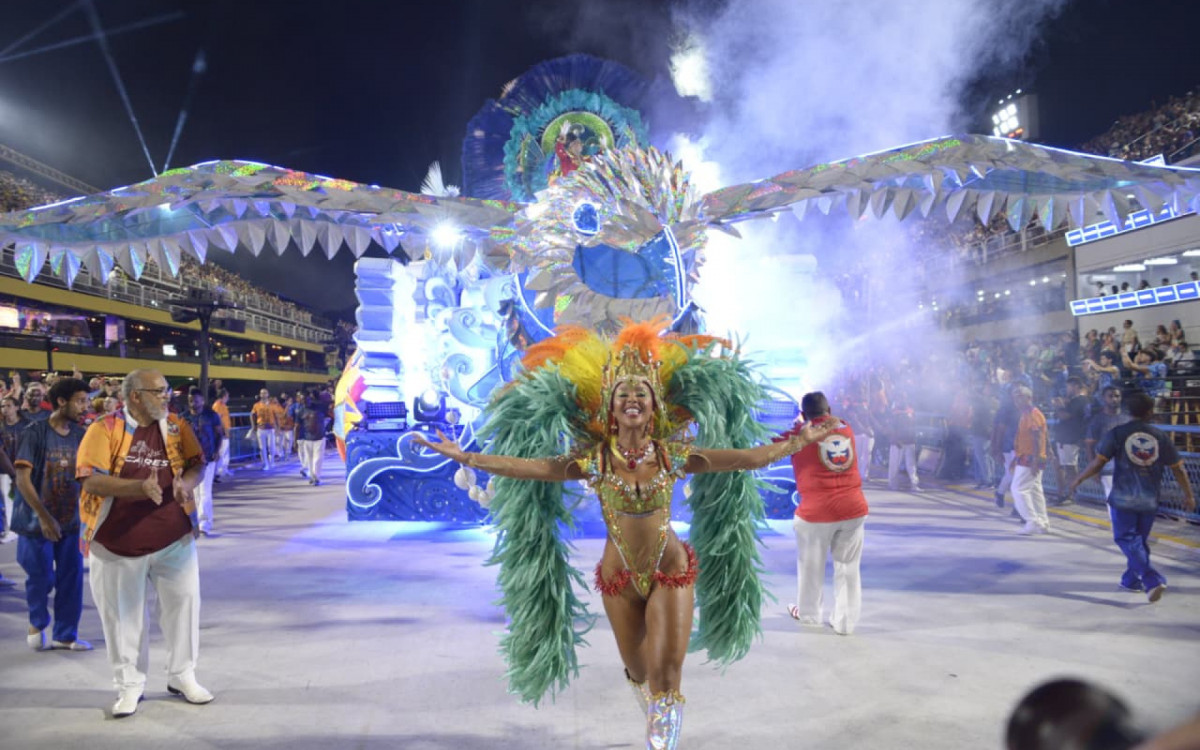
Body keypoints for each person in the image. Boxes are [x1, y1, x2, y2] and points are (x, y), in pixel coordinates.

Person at [414, 321, 835, 749]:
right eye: (623, 394)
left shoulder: (675, 457)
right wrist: (465, 455)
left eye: (641, 394)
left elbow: (747, 457)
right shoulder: (592, 461)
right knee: (641, 673)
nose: (632, 399)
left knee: (667, 677)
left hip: (670, 571)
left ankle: (662, 738)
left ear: (654, 408)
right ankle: (656, 723)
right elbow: (531, 469)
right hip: (618, 581)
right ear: (610, 410)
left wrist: (797, 441)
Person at [76, 368, 212, 718]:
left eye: (168, 391)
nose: (167, 397)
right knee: (124, 619)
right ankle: (130, 686)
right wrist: (139, 488)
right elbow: (90, 479)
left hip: (174, 538)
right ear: (135, 395)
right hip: (117, 543)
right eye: (160, 391)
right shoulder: (103, 428)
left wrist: (187, 482)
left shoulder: (176, 426)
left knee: (184, 607)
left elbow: (198, 464)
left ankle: (183, 676)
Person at [1070, 392, 1195, 602]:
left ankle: (1151, 578)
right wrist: (1189, 495)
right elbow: (1179, 469)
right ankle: (1130, 580)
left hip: (1123, 497)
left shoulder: (1117, 434)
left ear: (1127, 412)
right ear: (1150, 412)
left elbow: (1098, 463)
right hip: (1150, 499)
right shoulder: (1160, 436)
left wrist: (1078, 479)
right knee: (1138, 542)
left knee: (1125, 538)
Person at [11, 377, 93, 651]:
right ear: (61, 401)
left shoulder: (82, 436)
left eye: (87, 401)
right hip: (36, 522)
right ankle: (37, 621)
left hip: (70, 521)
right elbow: (22, 479)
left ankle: (65, 635)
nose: (86, 407)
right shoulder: (34, 432)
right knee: (40, 577)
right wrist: (45, 518)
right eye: (81, 401)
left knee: (72, 579)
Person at [780, 391, 867, 636]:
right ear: (828, 410)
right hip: (853, 508)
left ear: (802, 414)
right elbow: (832, 421)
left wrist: (797, 426)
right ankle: (845, 623)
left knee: (810, 566)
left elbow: (770, 446)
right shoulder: (845, 427)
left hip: (816, 513)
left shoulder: (799, 435)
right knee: (848, 568)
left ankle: (809, 616)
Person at [182, 387, 224, 536]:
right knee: (194, 492)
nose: (193, 403)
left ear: (202, 401)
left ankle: (204, 523)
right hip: (190, 460)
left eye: (196, 400)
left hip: (208, 458)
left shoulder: (212, 416)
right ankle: (195, 521)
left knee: (205, 491)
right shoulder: (184, 417)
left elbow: (220, 434)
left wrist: (217, 451)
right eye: (191, 400)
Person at [1010, 386, 1050, 535]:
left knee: (1018, 489)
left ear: (1029, 398)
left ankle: (1032, 521)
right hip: (1030, 456)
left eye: (1020, 396)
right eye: (1015, 397)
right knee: (1034, 490)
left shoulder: (1032, 414)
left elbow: (1038, 437)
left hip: (1030, 458)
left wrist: (1035, 460)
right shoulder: (1028, 414)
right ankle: (1043, 522)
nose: (1016, 400)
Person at [1085, 386, 1131, 499]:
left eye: (1117, 396)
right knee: (1113, 500)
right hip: (1107, 468)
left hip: (1128, 468)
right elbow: (1089, 446)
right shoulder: (1097, 420)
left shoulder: (1128, 419)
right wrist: (1094, 469)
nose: (1114, 399)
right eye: (1110, 396)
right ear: (1103, 398)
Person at [1052, 377, 1089, 505]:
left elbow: (1064, 415)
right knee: (1059, 466)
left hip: (1071, 438)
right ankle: (1061, 493)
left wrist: (1059, 406)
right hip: (1062, 437)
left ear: (1075, 386)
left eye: (1068, 387)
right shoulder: (1072, 401)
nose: (1067, 389)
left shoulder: (1080, 400)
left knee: (1070, 467)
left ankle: (1072, 494)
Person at [1, 395, 31, 543]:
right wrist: (12, 474)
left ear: (17, 407)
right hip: (5, 471)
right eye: (3, 406)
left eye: (8, 406)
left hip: (25, 468)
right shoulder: (1, 425)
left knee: (27, 498)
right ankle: (12, 530)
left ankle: (25, 527)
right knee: (8, 499)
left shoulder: (27, 424)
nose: (5, 409)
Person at [886, 393, 921, 491]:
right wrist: (896, 439)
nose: (903, 400)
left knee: (911, 465)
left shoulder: (910, 411)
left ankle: (914, 484)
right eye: (901, 398)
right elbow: (890, 427)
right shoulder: (894, 412)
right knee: (894, 465)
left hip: (909, 441)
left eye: (904, 398)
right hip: (898, 442)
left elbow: (914, 425)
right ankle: (893, 484)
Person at [294, 390, 328, 485]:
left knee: (317, 459)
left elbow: (330, 413)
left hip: (319, 437)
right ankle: (312, 477)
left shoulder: (319, 407)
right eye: (303, 400)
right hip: (307, 438)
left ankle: (316, 477)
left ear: (310, 399)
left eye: (306, 399)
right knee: (309, 459)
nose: (305, 401)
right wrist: (295, 441)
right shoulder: (300, 411)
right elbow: (297, 426)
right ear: (300, 401)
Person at [251, 388, 278, 469]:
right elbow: (252, 415)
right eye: (262, 393)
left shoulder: (272, 405)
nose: (263, 394)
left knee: (271, 446)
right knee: (262, 448)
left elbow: (276, 416)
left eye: (265, 393)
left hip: (271, 428)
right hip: (261, 428)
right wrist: (254, 426)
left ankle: (272, 461)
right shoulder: (256, 405)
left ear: (268, 394)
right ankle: (265, 464)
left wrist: (278, 427)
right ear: (260, 395)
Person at [211, 389, 232, 480]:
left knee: (225, 451)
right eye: (227, 396)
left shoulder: (223, 405)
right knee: (222, 452)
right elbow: (219, 419)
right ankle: (218, 472)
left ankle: (224, 469)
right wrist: (225, 431)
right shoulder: (218, 405)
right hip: (221, 432)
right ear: (224, 396)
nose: (228, 398)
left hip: (225, 431)